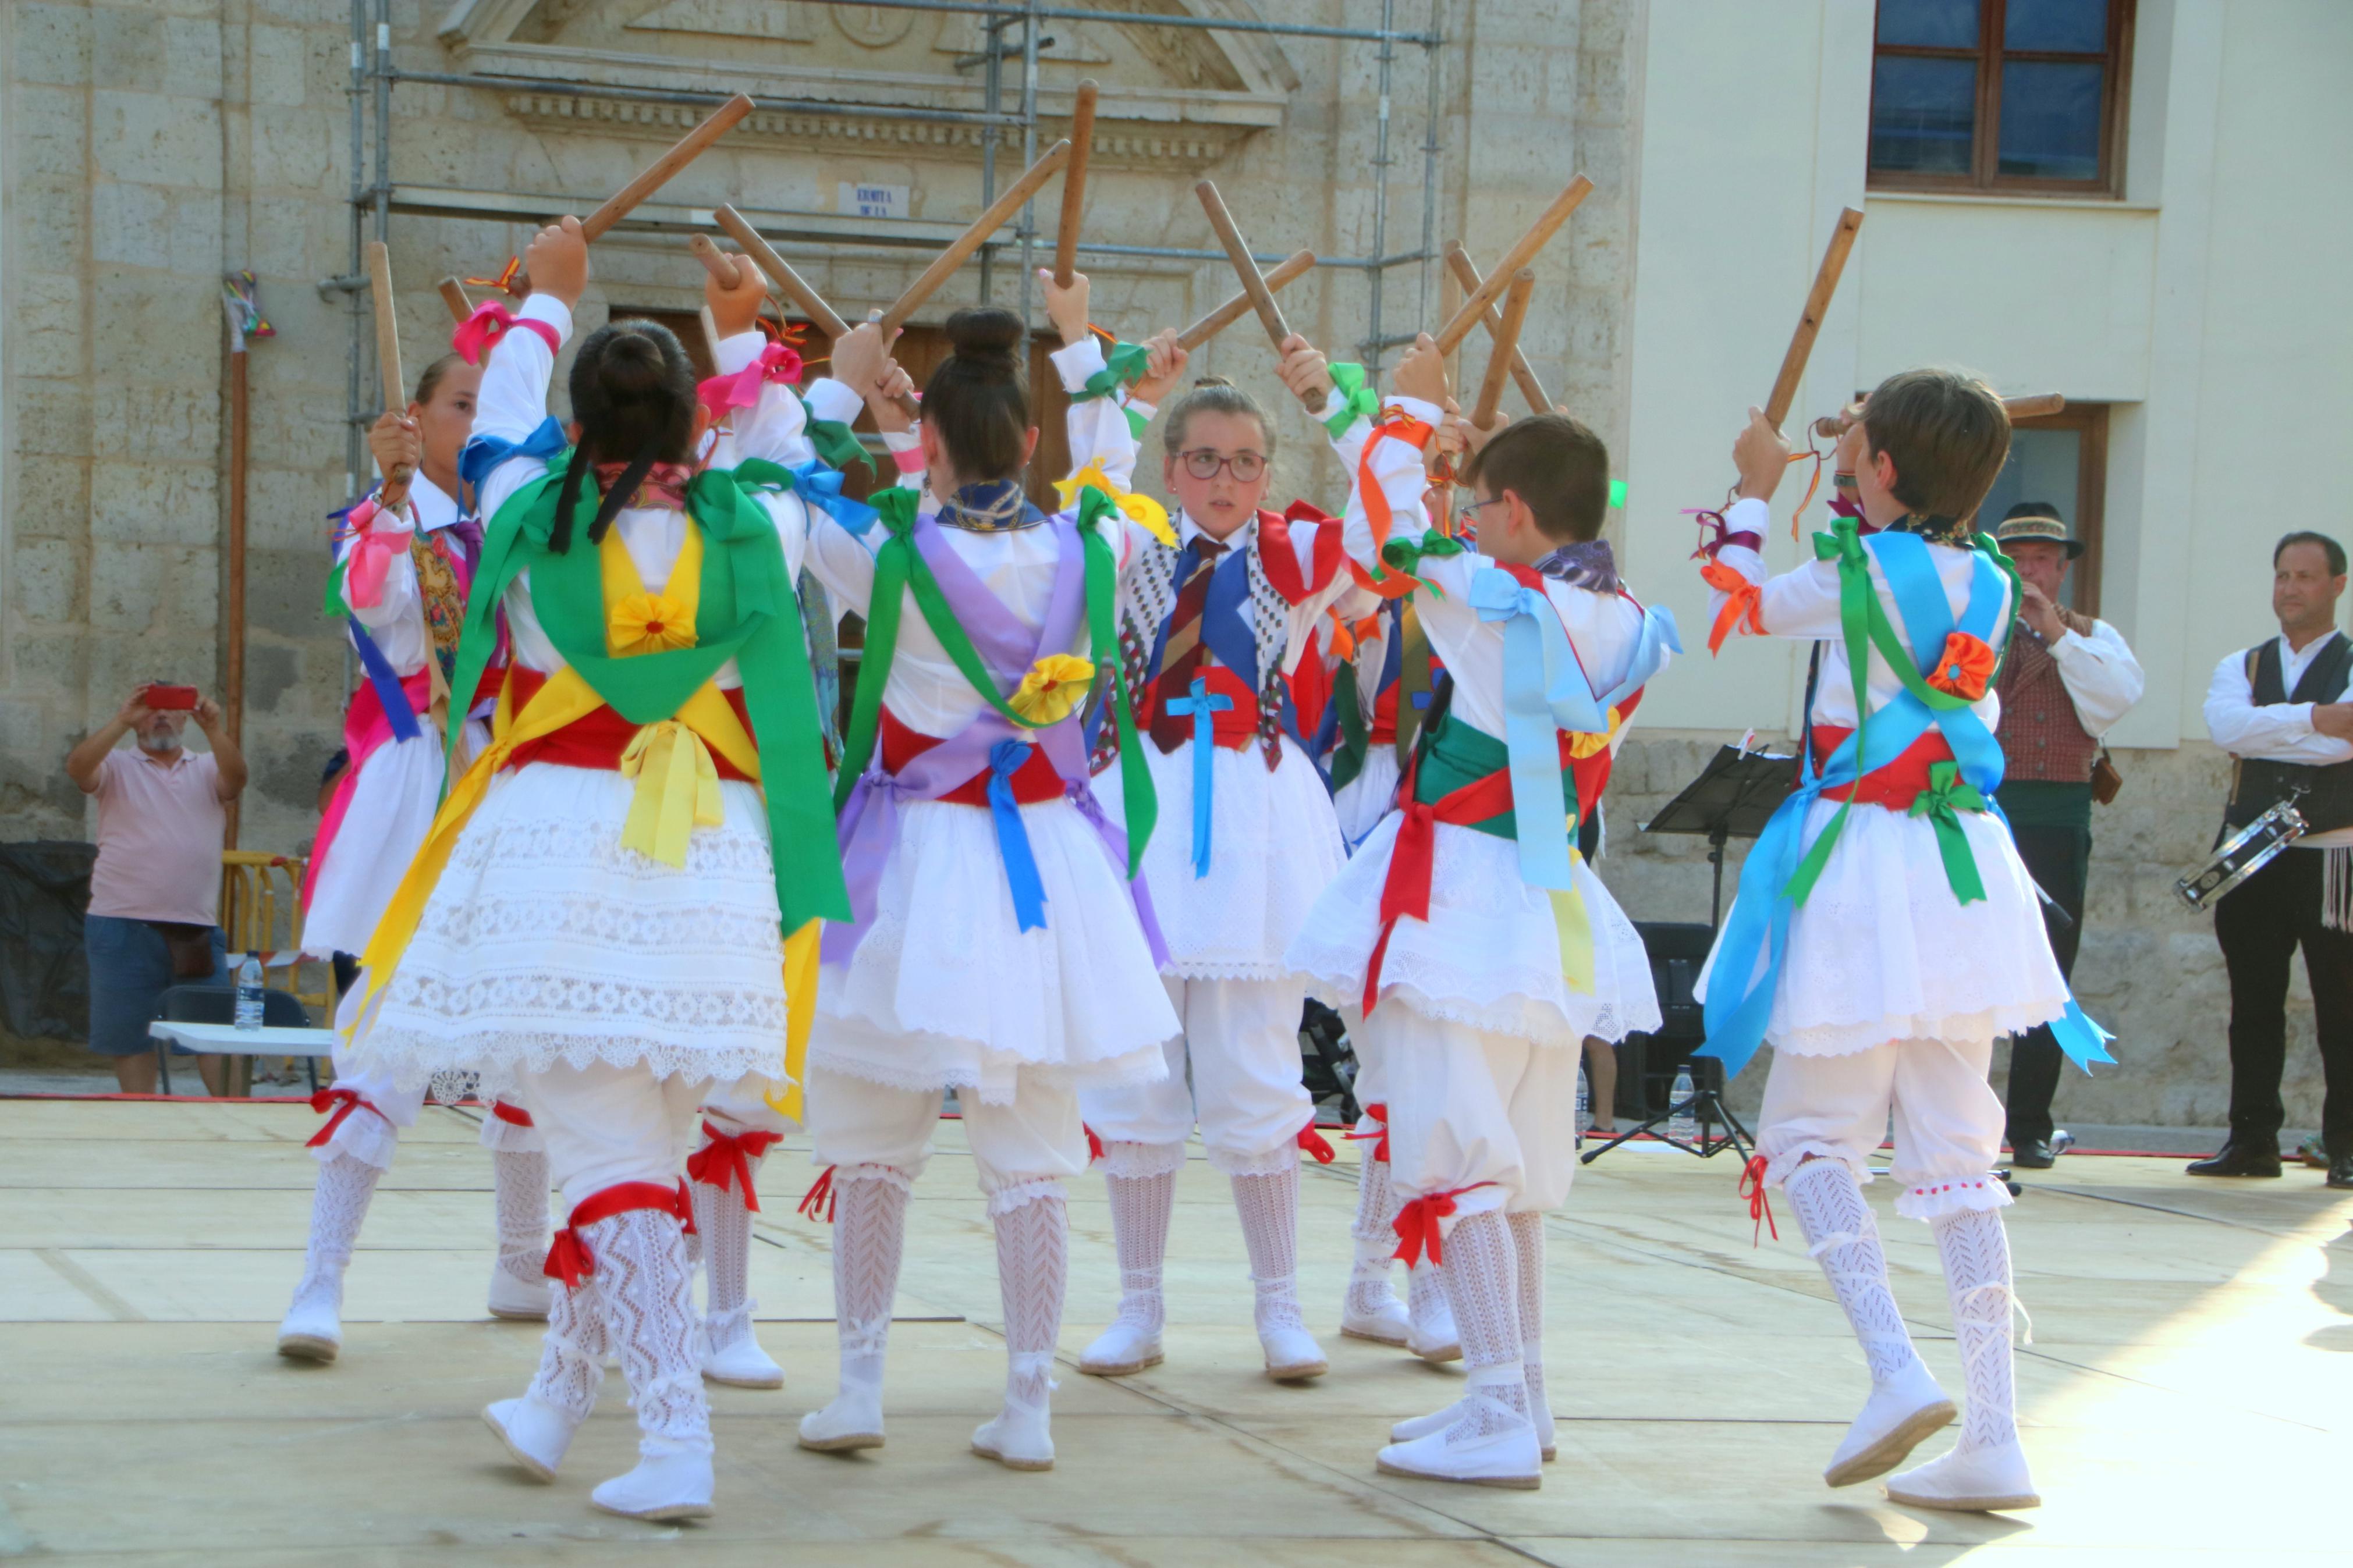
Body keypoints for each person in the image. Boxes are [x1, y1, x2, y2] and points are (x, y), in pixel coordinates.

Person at [338, 218, 847, 1521]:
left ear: (583, 416)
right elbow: (798, 446)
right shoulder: (762, 522)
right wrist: (742, 332)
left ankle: (675, 1440)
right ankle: (557, 1399)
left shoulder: (528, 505)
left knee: (598, 1132)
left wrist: (543, 304)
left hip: (563, 839)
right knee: (636, 1133)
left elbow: (501, 430)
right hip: (712, 851)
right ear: (693, 418)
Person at [1695, 372, 2113, 1514]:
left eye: (1855, 453)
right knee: (1956, 1152)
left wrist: (1744, 488)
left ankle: (1891, 1370)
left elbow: (1734, 598)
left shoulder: (1853, 570)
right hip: (1961, 873)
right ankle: (1991, 1434)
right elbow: (1877, 580)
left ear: (1879, 471)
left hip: (1864, 864)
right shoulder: (1985, 579)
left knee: (1809, 1136)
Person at [789, 278, 1177, 1473]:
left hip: (914, 857)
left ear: (930, 446)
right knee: (1028, 1148)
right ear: (1024, 439)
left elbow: (785, 496)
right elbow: (1119, 470)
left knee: (873, 1139)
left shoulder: (885, 557)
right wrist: (1079, 343)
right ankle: (1026, 1404)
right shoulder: (1093, 548)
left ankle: (858, 1384)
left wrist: (840, 380)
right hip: (1046, 864)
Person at [1287, 337, 1675, 1489]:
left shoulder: (1494, 605)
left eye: (1479, 505)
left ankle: (1498, 1410)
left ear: (1511, 512)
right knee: (1511, 1166)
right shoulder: (1626, 617)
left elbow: (1389, 525)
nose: (1464, 519)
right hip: (1546, 906)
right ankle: (1520, 1402)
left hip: (1460, 896)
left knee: (1453, 1151)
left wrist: (1391, 406)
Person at [1074, 330, 1377, 1388]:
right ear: (1170, 468)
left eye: (1246, 461)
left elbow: (1392, 534)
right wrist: (1111, 385)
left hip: (1252, 820)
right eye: (1203, 459)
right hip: (1144, 811)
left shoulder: (1293, 554)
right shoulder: (1126, 543)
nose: (1225, 480)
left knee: (1256, 1067)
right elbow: (1084, 492)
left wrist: (1337, 402)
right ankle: (1137, 1306)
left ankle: (1280, 1310)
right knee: (1137, 1074)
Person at [275, 353, 564, 1364]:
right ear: (416, 420)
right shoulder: (387, 523)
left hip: (512, 783)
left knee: (528, 1030)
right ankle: (321, 1278)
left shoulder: (528, 523)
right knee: (378, 1031)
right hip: (416, 788)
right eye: (459, 407)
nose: (478, 424)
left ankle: (522, 1262)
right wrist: (392, 494)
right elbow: (373, 608)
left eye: (492, 409)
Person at [2191, 531, 2353, 1188]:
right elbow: (2226, 728)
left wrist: (2274, 731)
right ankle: (2251, 1139)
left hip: (2331, 855)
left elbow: (2342, 750)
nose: (2288, 588)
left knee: (2341, 1005)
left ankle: (2345, 1145)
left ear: (2336, 585)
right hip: (2250, 856)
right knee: (2251, 1002)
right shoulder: (2242, 664)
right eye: (2282, 575)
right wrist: (2318, 718)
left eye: (2305, 576)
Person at [1989, 502, 2143, 1167]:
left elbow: (2112, 700)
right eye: (2016, 560)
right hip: (1981, 814)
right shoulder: (1974, 631)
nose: (2029, 572)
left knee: (2046, 973)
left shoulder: (2091, 636)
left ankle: (2027, 1126)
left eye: (2042, 562)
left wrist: (2050, 628)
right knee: (1961, 966)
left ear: (2061, 569)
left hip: (2057, 821)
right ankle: (1946, 1119)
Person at [68, 686, 247, 1095]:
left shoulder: (205, 766)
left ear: (186, 718)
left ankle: (241, 1126)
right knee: (131, 1038)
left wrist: (215, 729)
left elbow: (236, 779)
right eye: (151, 709)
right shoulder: (114, 765)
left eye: (171, 708)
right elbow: (78, 769)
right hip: (120, 924)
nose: (161, 715)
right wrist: (121, 720)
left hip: (194, 928)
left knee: (217, 1036)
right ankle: (142, 1128)